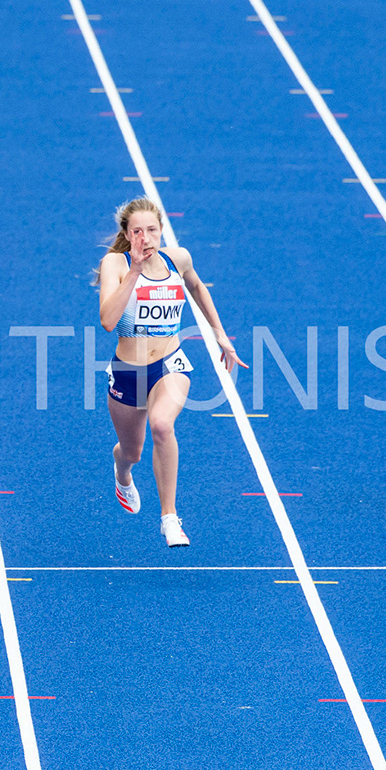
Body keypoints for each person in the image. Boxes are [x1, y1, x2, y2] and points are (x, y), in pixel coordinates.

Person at [98, 197, 242, 546]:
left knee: (162, 425)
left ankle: (170, 518)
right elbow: (107, 321)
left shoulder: (178, 259)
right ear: (127, 235)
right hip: (128, 372)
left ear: (161, 230)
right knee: (132, 451)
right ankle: (122, 470)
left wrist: (219, 333)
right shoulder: (115, 264)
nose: (145, 238)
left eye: (151, 230)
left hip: (169, 364)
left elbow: (196, 286)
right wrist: (134, 271)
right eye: (137, 232)